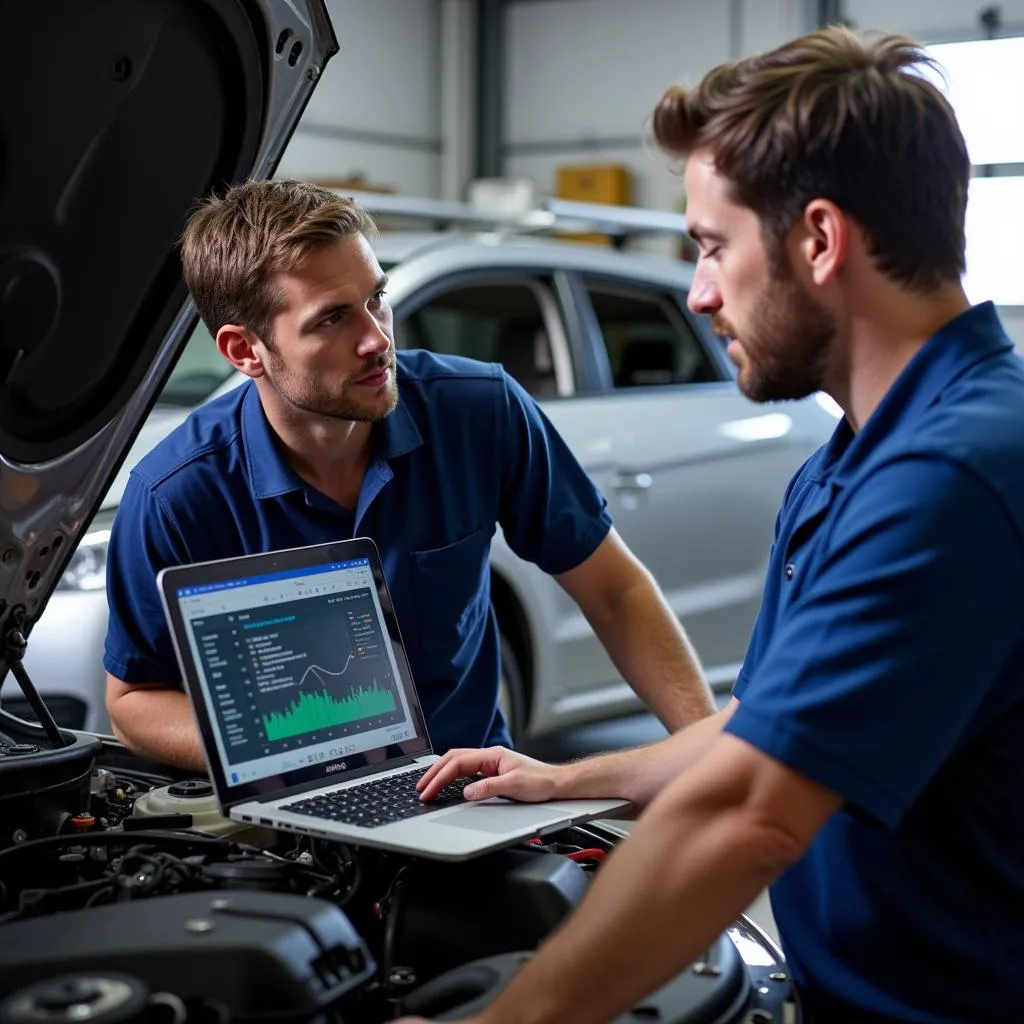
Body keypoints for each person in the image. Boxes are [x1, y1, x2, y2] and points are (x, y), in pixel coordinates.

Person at [405, 26, 1024, 1024]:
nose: (696, 294)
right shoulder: (859, 462)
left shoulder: (952, 474)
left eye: (709, 246)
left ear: (819, 240)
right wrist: (565, 781)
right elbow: (770, 726)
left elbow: (745, 816)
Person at [102, 178, 713, 771]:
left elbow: (614, 591)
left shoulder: (479, 410)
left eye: (377, 298)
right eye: (332, 319)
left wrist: (710, 760)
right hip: (282, 822)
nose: (376, 339)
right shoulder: (174, 493)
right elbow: (132, 702)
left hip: (469, 791)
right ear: (244, 351)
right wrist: (281, 755)